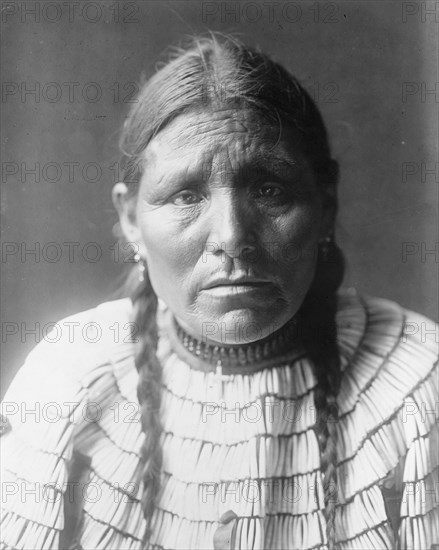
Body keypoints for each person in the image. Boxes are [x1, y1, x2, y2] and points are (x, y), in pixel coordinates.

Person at [1, 35, 438, 550]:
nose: (232, 237)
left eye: (270, 190)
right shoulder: (67, 380)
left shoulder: (415, 387)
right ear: (131, 219)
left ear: (324, 205)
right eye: (186, 195)